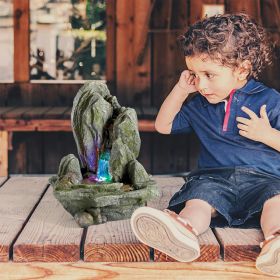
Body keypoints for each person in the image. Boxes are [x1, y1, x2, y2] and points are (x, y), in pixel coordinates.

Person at [130, 13, 280, 277]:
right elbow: (163, 126)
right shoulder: (199, 105)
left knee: (277, 201)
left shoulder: (270, 100)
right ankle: (183, 231)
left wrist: (266, 134)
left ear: (242, 69)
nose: (200, 84)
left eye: (209, 74)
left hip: (265, 181)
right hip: (214, 180)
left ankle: (275, 242)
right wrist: (180, 90)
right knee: (199, 199)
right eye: (194, 74)